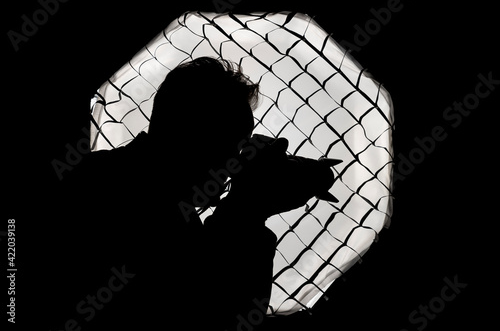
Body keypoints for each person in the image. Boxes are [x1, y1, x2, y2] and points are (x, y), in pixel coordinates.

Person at [36, 57, 336, 330]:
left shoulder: (100, 178)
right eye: (231, 146)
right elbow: (220, 321)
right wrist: (248, 210)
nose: (235, 165)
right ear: (195, 136)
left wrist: (246, 210)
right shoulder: (140, 207)